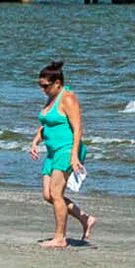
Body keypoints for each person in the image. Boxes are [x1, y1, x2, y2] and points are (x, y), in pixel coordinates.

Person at [35, 61, 92, 248]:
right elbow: (47, 123)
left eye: (45, 85)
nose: (42, 89)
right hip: (52, 151)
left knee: (56, 193)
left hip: (67, 149)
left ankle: (60, 238)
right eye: (40, 85)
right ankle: (85, 218)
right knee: (47, 195)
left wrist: (74, 156)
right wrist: (36, 140)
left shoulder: (67, 98)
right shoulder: (52, 97)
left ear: (57, 83)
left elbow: (77, 129)